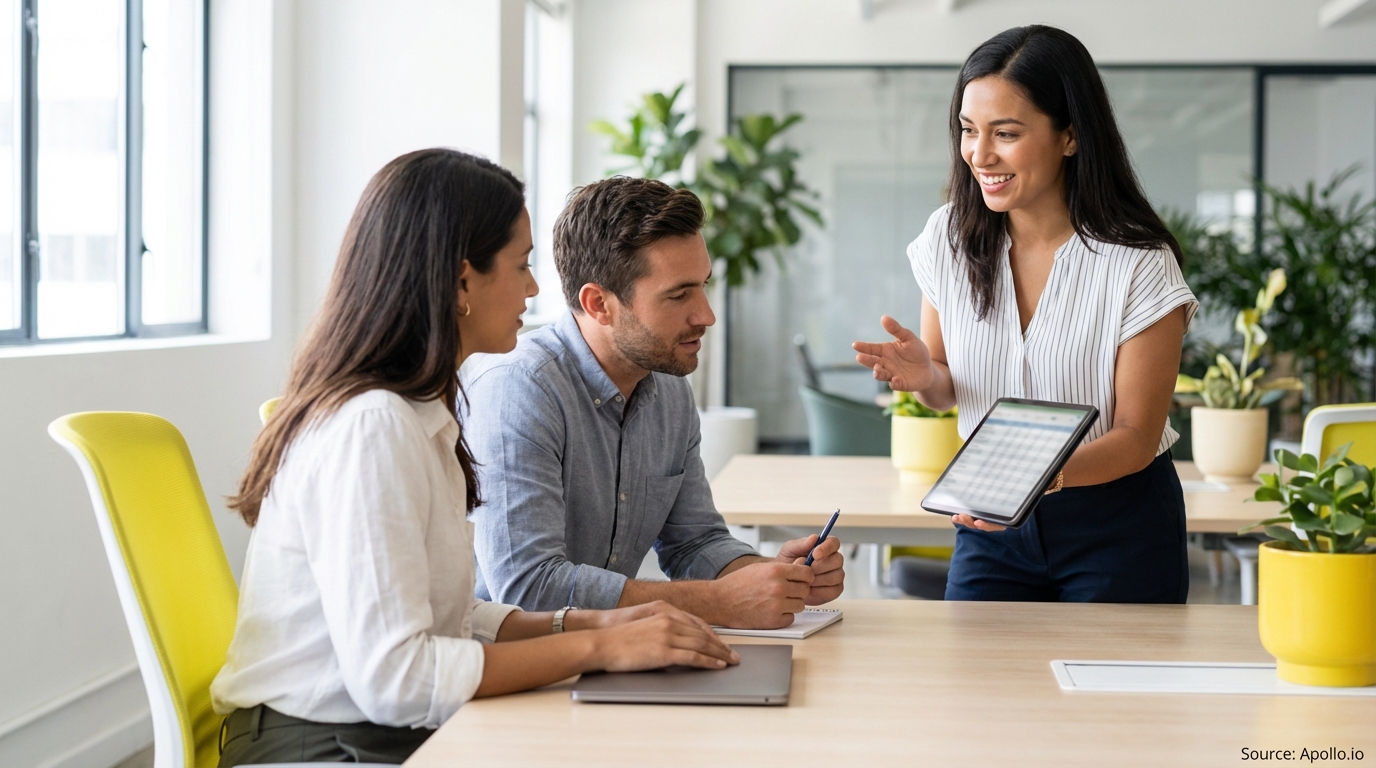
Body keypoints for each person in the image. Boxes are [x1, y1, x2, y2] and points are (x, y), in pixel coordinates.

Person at [211, 150, 739, 766]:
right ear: (463, 282)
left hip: (384, 730)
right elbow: (399, 680)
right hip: (325, 747)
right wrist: (597, 650)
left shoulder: (419, 412)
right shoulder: (373, 427)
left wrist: (597, 627)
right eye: (521, 265)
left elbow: (449, 618)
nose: (536, 288)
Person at [854, 25, 1197, 603]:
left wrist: (1037, 481)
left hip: (1118, 523)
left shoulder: (1139, 263)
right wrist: (925, 377)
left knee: (1109, 695)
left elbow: (1136, 437)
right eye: (968, 130)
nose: (979, 155)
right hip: (991, 528)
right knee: (979, 691)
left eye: (1005, 133)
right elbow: (947, 388)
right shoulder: (949, 239)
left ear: (1069, 135)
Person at [463, 177, 845, 629]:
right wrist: (716, 602)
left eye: (703, 286)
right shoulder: (519, 389)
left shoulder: (668, 388)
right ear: (599, 304)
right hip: (518, 674)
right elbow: (528, 588)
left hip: (613, 657)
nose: (706, 315)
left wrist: (770, 577)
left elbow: (695, 542)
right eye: (679, 295)